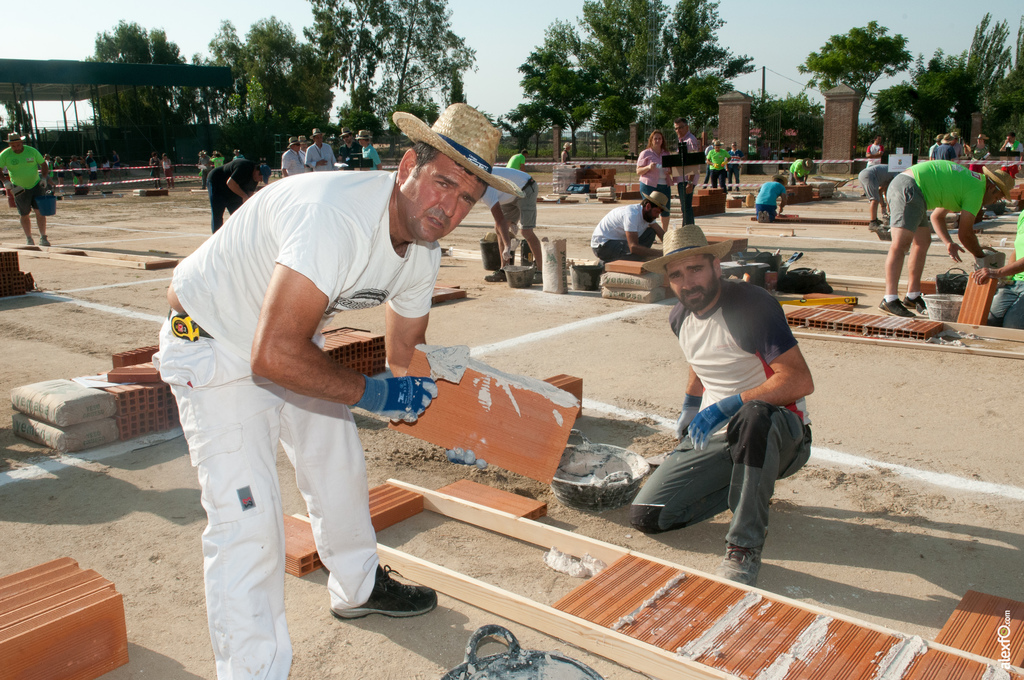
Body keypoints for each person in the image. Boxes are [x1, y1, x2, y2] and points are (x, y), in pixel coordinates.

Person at [153, 103, 520, 680]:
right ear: (407, 166)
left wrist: (456, 422)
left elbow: (403, 358)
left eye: (466, 198)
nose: (448, 208)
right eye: (443, 182)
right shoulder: (337, 216)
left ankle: (357, 586)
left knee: (338, 462)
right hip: (216, 342)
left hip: (286, 340)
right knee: (246, 523)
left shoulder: (423, 251)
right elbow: (270, 355)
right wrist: (373, 397)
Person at [630, 224, 814, 586]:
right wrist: (691, 403)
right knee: (649, 516)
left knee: (753, 414)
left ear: (716, 266)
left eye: (696, 268)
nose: (688, 282)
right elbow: (700, 357)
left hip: (780, 431)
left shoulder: (751, 306)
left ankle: (744, 546)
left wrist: (729, 404)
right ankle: (746, 485)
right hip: (725, 436)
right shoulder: (679, 316)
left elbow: (798, 380)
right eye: (677, 274)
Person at [880, 160, 1014, 317]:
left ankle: (913, 295)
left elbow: (937, 217)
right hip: (910, 187)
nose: (996, 202)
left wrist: (948, 242)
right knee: (901, 244)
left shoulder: (968, 183)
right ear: (992, 188)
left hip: (917, 190)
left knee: (922, 242)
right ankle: (889, 299)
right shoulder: (977, 190)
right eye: (998, 197)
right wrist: (981, 256)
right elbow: (966, 234)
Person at [480, 166, 541, 283]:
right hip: (509, 194)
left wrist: (508, 246)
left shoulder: (486, 189)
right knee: (498, 230)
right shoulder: (471, 188)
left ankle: (540, 271)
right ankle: (504, 270)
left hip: (525, 188)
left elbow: (500, 220)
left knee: (526, 231)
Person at [974, 211, 1024, 329]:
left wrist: (998, 272)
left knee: (1013, 327)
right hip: (1016, 282)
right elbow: (1017, 250)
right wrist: (1008, 277)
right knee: (987, 319)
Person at [1, 133, 52, 246]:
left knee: (40, 212)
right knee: (24, 214)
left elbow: (43, 165)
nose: (16, 148)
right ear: (10, 145)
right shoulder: (5, 154)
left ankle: (43, 237)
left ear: (21, 143)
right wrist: (5, 181)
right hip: (18, 188)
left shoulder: (32, 151)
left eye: (18, 145)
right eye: (13, 146)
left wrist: (43, 178)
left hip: (36, 185)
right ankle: (29, 238)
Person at [590, 191, 667, 262]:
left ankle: (635, 257)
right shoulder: (631, 215)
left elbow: (661, 234)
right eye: (656, 212)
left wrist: (672, 248)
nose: (657, 216)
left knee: (651, 232)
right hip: (602, 246)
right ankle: (606, 262)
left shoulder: (648, 214)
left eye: (659, 213)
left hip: (619, 241)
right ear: (648, 206)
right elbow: (633, 247)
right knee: (636, 253)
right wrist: (661, 253)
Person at [206, 157, 262, 233]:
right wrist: (244, 196)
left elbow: (249, 194)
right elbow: (230, 183)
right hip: (217, 182)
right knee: (218, 213)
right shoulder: (243, 167)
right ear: (256, 171)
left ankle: (237, 237)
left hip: (233, 188)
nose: (261, 180)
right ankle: (217, 239)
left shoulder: (255, 178)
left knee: (237, 214)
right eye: (261, 177)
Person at [636, 129, 673, 232]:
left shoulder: (666, 153)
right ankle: (648, 232)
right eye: (655, 138)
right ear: (651, 140)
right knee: (649, 209)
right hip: (648, 185)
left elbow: (671, 170)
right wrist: (648, 167)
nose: (657, 140)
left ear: (662, 140)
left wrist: (669, 171)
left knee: (665, 209)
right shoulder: (645, 153)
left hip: (664, 185)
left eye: (659, 138)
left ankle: (664, 232)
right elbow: (638, 171)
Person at [672, 117, 701, 225]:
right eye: (676, 128)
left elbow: (693, 162)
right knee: (684, 207)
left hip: (686, 179)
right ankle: (687, 230)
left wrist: (690, 182)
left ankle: (688, 231)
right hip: (682, 178)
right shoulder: (682, 140)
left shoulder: (690, 140)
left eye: (680, 128)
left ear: (687, 127)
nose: (678, 131)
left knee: (686, 207)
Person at [858, 163, 900, 235]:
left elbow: (881, 192)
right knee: (874, 199)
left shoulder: (890, 173)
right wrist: (888, 208)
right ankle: (873, 223)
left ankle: (875, 220)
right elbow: (889, 193)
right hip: (869, 175)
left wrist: (883, 206)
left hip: (864, 174)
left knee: (875, 198)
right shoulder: (897, 174)